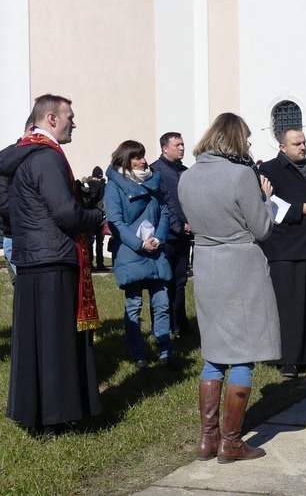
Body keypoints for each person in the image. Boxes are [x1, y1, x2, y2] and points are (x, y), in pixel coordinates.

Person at [178, 112, 281, 463]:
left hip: (206, 265)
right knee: (243, 351)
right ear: (236, 138)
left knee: (214, 352)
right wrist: (266, 198)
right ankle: (232, 441)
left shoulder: (188, 176)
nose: (250, 145)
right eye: (248, 139)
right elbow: (263, 228)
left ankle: (209, 438)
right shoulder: (240, 175)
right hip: (239, 265)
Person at [0, 94, 104, 436]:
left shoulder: (22, 154)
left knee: (35, 342)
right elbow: (64, 212)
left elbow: (9, 209)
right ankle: (56, 416)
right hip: (54, 257)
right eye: (70, 116)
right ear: (51, 118)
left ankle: (36, 415)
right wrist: (95, 216)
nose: (74, 122)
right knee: (56, 341)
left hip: (31, 257)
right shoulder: (47, 157)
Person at [259, 129, 306, 378]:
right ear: (282, 147)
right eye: (296, 143)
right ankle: (287, 359)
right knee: (288, 308)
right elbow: (269, 203)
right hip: (285, 249)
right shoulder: (269, 170)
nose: (302, 147)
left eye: (303, 142)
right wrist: (301, 209)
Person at [105, 141, 173, 368]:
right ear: (125, 160)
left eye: (143, 156)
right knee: (134, 305)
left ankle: (165, 353)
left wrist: (158, 238)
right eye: (137, 157)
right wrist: (139, 243)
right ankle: (138, 355)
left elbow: (164, 211)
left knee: (162, 304)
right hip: (131, 251)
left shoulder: (154, 179)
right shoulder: (114, 185)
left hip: (156, 250)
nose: (143, 161)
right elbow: (115, 221)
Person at [151, 132, 191, 336]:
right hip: (164, 236)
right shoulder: (155, 171)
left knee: (180, 281)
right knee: (162, 282)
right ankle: (162, 326)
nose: (182, 148)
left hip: (184, 237)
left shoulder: (186, 172)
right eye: (177, 145)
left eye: (183, 144)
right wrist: (178, 225)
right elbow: (162, 204)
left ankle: (180, 324)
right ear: (165, 148)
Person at [0, 116, 34, 286]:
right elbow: (3, 203)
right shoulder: (9, 158)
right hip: (16, 234)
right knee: (24, 288)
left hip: (23, 234)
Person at [80, 166, 107, 271]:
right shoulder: (103, 186)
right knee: (100, 242)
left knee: (89, 242)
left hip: (89, 217)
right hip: (100, 217)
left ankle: (90, 264)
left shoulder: (87, 185)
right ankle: (100, 264)